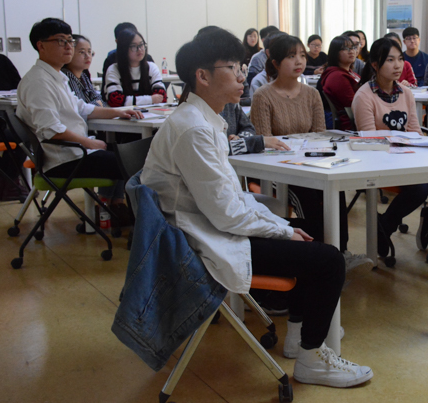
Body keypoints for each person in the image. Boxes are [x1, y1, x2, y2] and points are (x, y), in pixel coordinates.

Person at [140, 27, 373, 388]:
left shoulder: (204, 120)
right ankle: (312, 359)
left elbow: (231, 199)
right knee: (328, 260)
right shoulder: (194, 129)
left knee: (310, 233)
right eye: (232, 68)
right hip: (199, 242)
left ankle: (298, 337)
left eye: (241, 66)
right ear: (202, 76)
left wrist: (281, 226)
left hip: (210, 226)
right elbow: (226, 213)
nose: (241, 75)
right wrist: (281, 229)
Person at [251, 34, 370, 274]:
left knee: (336, 188)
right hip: (280, 170)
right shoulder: (263, 96)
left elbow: (319, 137)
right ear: (275, 63)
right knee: (308, 198)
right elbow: (265, 144)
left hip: (309, 163)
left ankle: (341, 253)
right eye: (291, 56)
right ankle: (321, 258)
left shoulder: (311, 94)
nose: (299, 61)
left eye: (302, 56)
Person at [16, 18, 143, 199]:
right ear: (41, 46)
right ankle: (134, 212)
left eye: (70, 41)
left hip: (77, 152)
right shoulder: (38, 82)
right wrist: (89, 143)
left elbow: (82, 107)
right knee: (139, 162)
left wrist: (118, 111)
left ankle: (120, 208)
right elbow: (51, 129)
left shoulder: (56, 77)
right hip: (65, 160)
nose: (69, 46)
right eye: (61, 41)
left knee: (139, 154)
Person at [351, 38, 428, 258]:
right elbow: (370, 140)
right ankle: (387, 224)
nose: (397, 65)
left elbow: (415, 131)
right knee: (420, 188)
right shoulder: (364, 96)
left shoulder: (406, 93)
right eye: (390, 60)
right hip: (379, 161)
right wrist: (400, 142)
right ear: (375, 65)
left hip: (406, 156)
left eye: (400, 59)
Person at [104, 30, 166, 107]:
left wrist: (130, 101)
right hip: (123, 113)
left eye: (141, 45)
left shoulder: (151, 67)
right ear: (124, 49)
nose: (139, 49)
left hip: (150, 112)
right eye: (133, 46)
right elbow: (115, 100)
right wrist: (150, 99)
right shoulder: (113, 69)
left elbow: (161, 96)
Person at [317, 35, 361, 131]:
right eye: (345, 49)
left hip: (360, 117)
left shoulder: (350, 73)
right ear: (335, 53)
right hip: (351, 123)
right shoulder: (337, 77)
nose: (351, 51)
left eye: (352, 48)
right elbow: (354, 104)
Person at [62, 34, 104, 106]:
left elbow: (99, 99)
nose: (88, 56)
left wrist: (97, 104)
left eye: (89, 52)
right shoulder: (67, 76)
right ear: (70, 53)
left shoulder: (83, 75)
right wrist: (97, 104)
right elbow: (81, 108)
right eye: (82, 52)